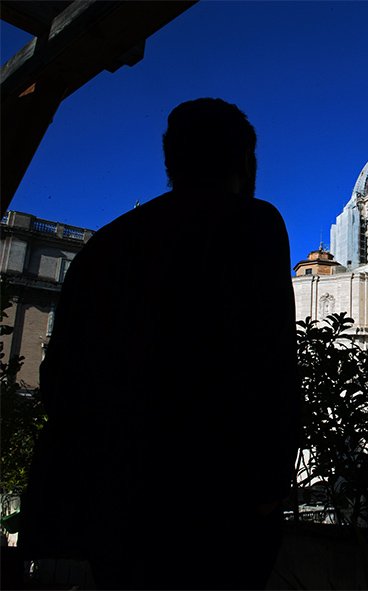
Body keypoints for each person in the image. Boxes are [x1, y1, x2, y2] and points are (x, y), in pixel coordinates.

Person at [19, 99, 299, 589]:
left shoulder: (105, 245)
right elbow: (270, 363)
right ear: (244, 162)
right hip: (215, 497)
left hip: (113, 499)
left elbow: (58, 376)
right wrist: (269, 490)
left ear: (170, 159)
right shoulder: (253, 224)